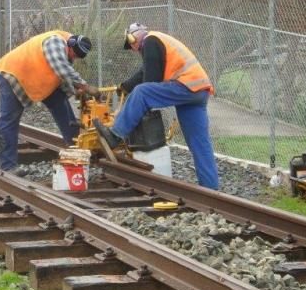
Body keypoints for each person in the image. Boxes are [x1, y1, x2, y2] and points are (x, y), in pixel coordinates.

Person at [93, 23, 219, 190]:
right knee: (199, 143)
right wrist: (124, 86)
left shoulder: (150, 41)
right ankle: (210, 188)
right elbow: (145, 71)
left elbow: (150, 81)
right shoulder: (158, 41)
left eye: (131, 45)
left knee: (142, 92)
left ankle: (116, 135)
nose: (133, 50)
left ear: (134, 38)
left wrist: (137, 104)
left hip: (185, 87)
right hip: (199, 91)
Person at [0, 30, 99, 172]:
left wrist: (76, 91)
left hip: (35, 79)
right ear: (70, 45)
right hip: (13, 75)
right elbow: (62, 69)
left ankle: (76, 150)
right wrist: (85, 86)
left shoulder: (67, 48)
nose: (74, 58)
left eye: (76, 57)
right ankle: (8, 166)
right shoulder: (55, 41)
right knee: (9, 121)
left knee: (62, 106)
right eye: (74, 54)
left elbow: (62, 77)